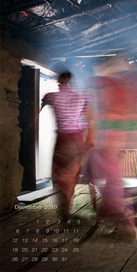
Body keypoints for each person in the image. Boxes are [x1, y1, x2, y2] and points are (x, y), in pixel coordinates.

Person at [87, 56, 137, 243]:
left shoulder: (105, 84)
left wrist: (91, 137)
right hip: (115, 137)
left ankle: (127, 229)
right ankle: (101, 213)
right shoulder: (126, 84)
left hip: (107, 137)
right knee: (111, 180)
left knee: (113, 183)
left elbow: (96, 113)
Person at [41, 72, 94, 221]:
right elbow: (89, 120)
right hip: (76, 137)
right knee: (72, 174)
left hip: (62, 138)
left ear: (59, 81)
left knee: (59, 175)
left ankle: (64, 210)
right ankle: (66, 208)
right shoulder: (82, 97)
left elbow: (34, 115)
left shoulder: (50, 96)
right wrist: (89, 139)